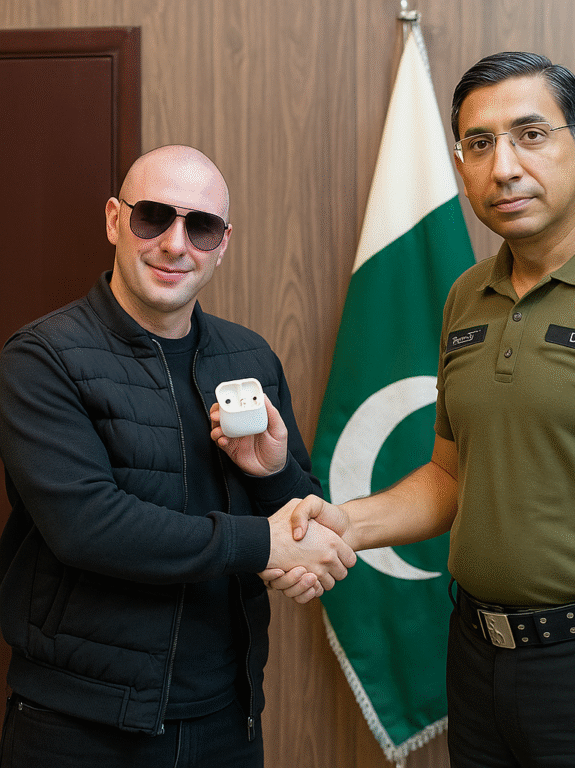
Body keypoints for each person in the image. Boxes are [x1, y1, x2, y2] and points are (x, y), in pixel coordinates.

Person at [266, 53, 575, 767]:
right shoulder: (467, 297)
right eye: (479, 143)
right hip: (477, 659)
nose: (503, 166)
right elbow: (450, 476)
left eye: (530, 135)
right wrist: (345, 522)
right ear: (462, 165)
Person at [0, 145, 355, 768]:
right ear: (115, 219)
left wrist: (273, 473)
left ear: (222, 243)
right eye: (153, 218)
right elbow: (88, 527)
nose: (174, 244)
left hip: (226, 715)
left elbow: (297, 507)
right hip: (81, 726)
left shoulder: (250, 358)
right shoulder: (41, 359)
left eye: (201, 226)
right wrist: (267, 545)